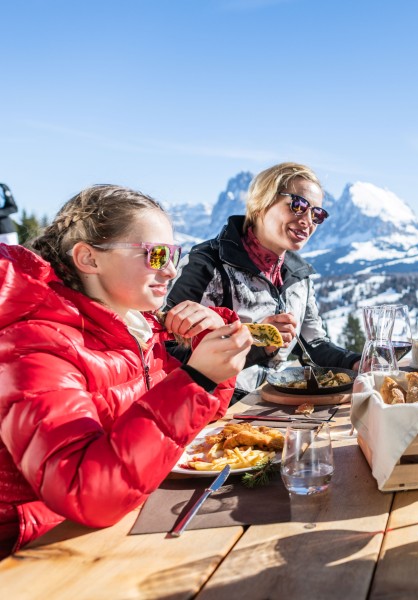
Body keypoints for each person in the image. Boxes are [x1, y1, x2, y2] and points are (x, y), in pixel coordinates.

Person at [0, 185, 252, 558]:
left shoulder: (132, 330)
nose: (169, 270)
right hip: (35, 552)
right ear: (88, 258)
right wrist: (196, 379)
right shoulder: (35, 345)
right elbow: (86, 491)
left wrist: (211, 347)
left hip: (108, 531)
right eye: (156, 254)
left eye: (175, 254)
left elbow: (189, 427)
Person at [166, 162, 360, 396]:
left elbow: (313, 345)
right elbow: (170, 353)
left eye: (317, 214)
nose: (307, 220)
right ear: (261, 203)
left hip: (275, 400)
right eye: (298, 205)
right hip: (218, 408)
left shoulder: (298, 274)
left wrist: (357, 363)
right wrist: (260, 341)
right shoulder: (208, 263)